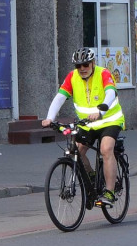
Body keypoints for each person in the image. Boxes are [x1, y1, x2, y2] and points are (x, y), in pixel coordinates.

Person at [42, 48, 125, 207]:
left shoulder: (103, 73)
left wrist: (101, 110)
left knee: (106, 149)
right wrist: (49, 118)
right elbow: (60, 97)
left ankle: (109, 191)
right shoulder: (72, 77)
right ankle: (92, 177)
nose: (82, 69)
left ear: (93, 63)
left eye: (85, 64)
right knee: (76, 151)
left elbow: (110, 93)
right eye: (78, 66)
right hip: (87, 124)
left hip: (109, 120)